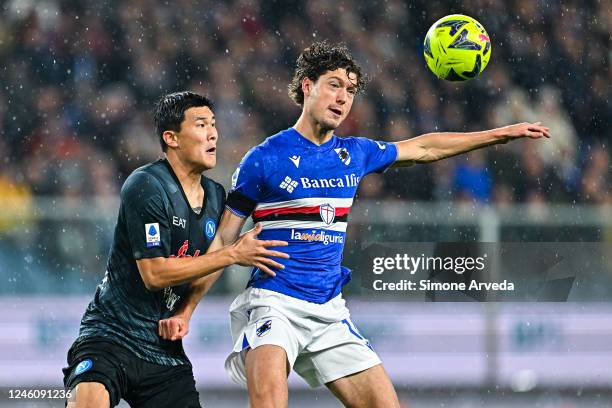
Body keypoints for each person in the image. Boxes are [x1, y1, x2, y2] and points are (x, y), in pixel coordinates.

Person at [176, 41, 550, 408]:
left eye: (350, 91)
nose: (343, 98)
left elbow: (424, 148)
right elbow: (224, 238)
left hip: (328, 309)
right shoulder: (264, 158)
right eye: (334, 85)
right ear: (307, 86)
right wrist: (187, 310)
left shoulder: (354, 153)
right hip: (274, 303)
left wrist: (498, 135)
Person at [62, 91, 288, 408]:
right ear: (172, 138)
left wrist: (187, 309)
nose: (213, 133)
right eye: (200, 124)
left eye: (213, 124)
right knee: (88, 402)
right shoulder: (147, 185)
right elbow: (155, 274)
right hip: (111, 336)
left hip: (164, 349)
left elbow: (218, 248)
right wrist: (234, 254)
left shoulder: (214, 194)